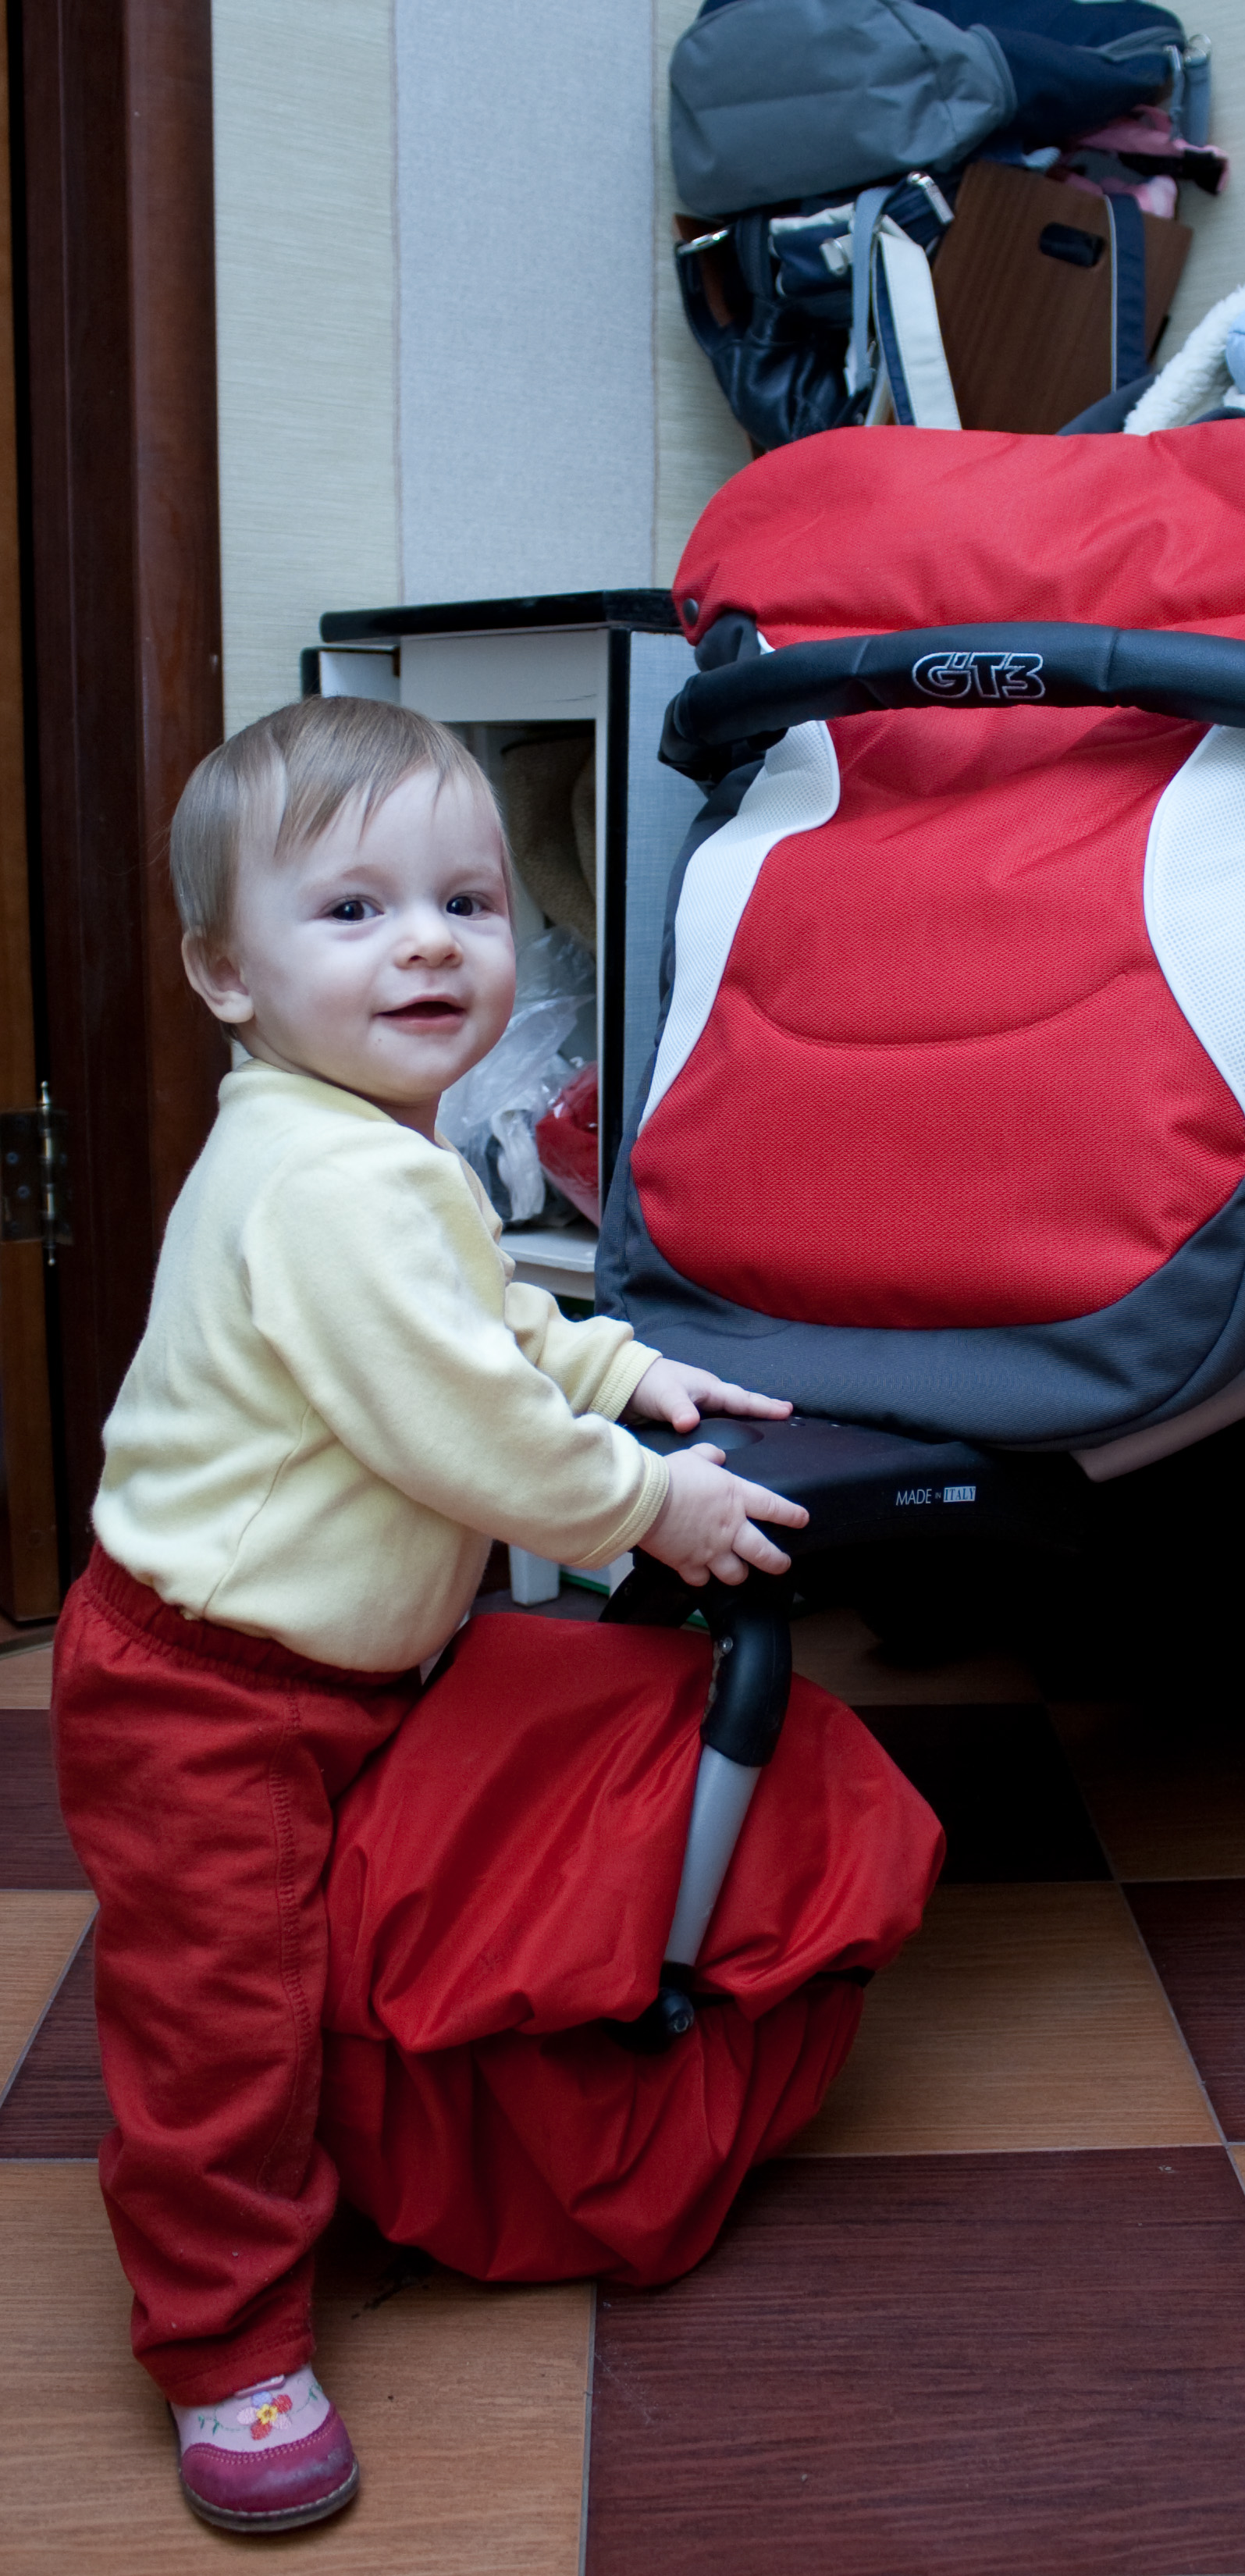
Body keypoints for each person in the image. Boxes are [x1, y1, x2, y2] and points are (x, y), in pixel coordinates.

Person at [50, 696, 941, 2537]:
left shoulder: (376, 1146)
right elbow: (465, 1425)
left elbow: (490, 1322)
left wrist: (620, 1367)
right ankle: (226, 2352)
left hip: (331, 1662)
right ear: (225, 973)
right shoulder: (321, 1184)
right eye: (354, 911)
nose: (429, 946)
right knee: (219, 2022)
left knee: (338, 1931)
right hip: (205, 1695)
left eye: (465, 902)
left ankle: (387, 2097)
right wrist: (652, 1502)